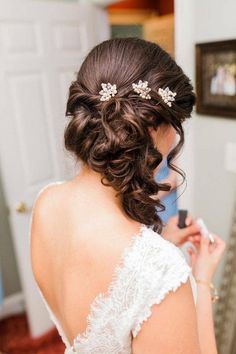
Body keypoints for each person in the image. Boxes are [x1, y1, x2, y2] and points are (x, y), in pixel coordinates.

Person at [30, 37, 225, 354]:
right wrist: (200, 279)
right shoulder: (159, 270)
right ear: (150, 127)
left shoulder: (46, 202)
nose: (175, 136)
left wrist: (160, 247)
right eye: (175, 123)